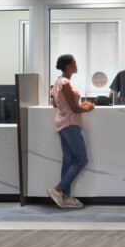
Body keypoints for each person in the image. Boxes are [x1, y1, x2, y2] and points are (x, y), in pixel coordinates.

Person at [49, 53, 94, 209]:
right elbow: (75, 108)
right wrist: (89, 106)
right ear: (68, 67)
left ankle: (66, 197)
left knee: (68, 160)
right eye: (75, 63)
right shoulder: (66, 83)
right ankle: (57, 190)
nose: (77, 65)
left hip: (61, 124)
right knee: (82, 159)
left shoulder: (57, 82)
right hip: (71, 125)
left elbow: (55, 104)